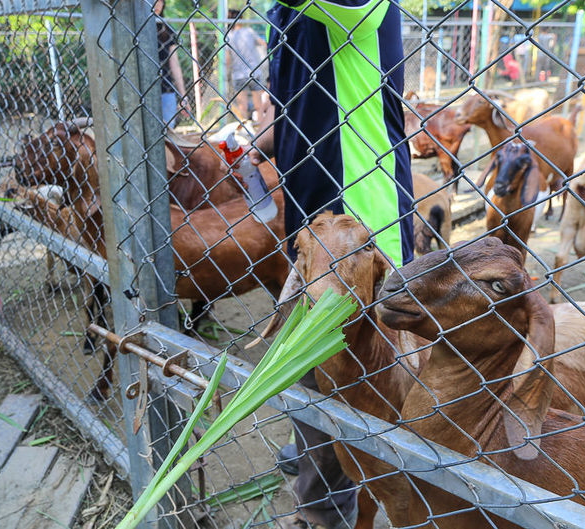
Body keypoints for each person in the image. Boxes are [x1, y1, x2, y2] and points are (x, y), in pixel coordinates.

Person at [252, 0, 416, 528]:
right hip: (312, 232)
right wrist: (263, 143)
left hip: (362, 238)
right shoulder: (287, 17)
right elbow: (305, 110)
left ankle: (325, 512)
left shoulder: (355, 5)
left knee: (351, 382)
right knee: (313, 369)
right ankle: (315, 461)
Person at [225, 8, 266, 120]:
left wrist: (227, 73)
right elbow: (263, 43)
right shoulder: (249, 31)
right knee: (259, 106)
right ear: (241, 19)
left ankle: (244, 128)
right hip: (254, 72)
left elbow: (227, 59)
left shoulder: (229, 36)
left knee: (243, 107)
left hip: (238, 75)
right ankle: (260, 127)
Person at [154, 0, 190, 128]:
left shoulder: (167, 29)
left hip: (166, 89)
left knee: (168, 133)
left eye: (160, 1)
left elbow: (175, 65)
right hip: (142, 91)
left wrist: (183, 96)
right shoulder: (135, 28)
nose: (157, 5)